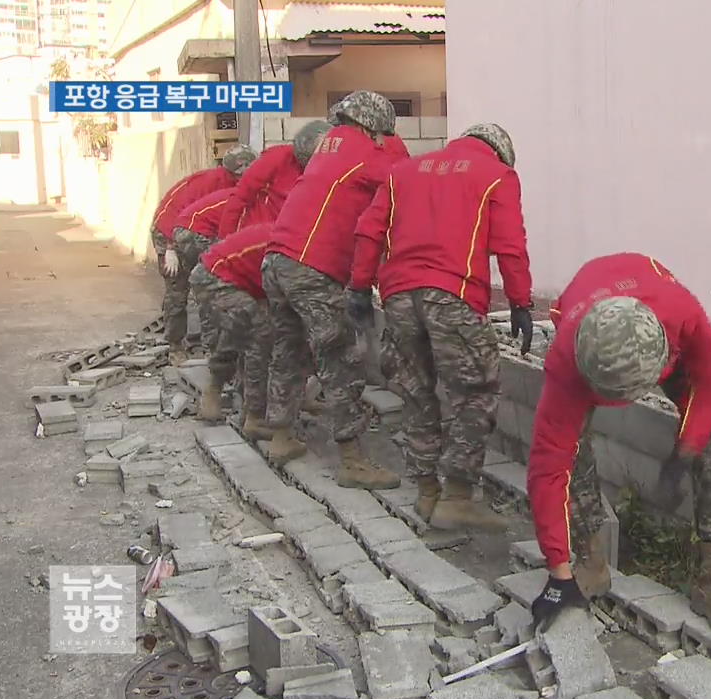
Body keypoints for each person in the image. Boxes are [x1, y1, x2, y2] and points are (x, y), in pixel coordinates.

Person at [526, 253, 711, 633]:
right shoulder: (568, 359)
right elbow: (548, 468)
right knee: (571, 444)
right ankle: (588, 560)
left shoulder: (683, 313)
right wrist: (557, 572)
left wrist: (686, 449)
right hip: (591, 321)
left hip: (655, 323)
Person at [350, 123, 532, 531]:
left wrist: (360, 287)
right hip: (452, 294)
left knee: (417, 392)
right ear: (499, 151)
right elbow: (510, 245)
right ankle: (458, 496)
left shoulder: (404, 172)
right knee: (475, 393)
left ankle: (427, 490)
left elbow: (369, 231)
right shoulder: (497, 175)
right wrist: (520, 302)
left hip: (397, 296)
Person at [262, 90, 409, 488]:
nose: (383, 141)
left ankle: (280, 436)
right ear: (368, 125)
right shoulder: (365, 151)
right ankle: (352, 460)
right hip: (312, 266)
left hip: (277, 261)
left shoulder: (329, 145)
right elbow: (405, 181)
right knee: (341, 358)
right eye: (381, 134)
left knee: (288, 349)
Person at [152, 145, 255, 360]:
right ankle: (175, 346)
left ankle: (211, 343)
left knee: (207, 284)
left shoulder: (239, 187)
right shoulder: (208, 184)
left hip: (198, 234)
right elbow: (174, 212)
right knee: (178, 288)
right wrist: (170, 247)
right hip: (168, 231)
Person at [189, 222, 278, 438]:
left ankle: (216, 394)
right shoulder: (287, 245)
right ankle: (254, 417)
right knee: (260, 334)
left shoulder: (286, 236)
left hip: (229, 277)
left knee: (238, 332)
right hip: (214, 276)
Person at [215, 120, 333, 239]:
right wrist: (225, 239)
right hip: (259, 235)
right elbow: (240, 196)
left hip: (294, 237)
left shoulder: (331, 170)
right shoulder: (276, 158)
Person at [163, 187, 234, 362]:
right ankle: (201, 348)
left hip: (188, 234)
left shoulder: (228, 195)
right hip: (189, 235)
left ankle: (196, 346)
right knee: (205, 291)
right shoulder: (228, 194)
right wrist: (169, 246)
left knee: (203, 290)